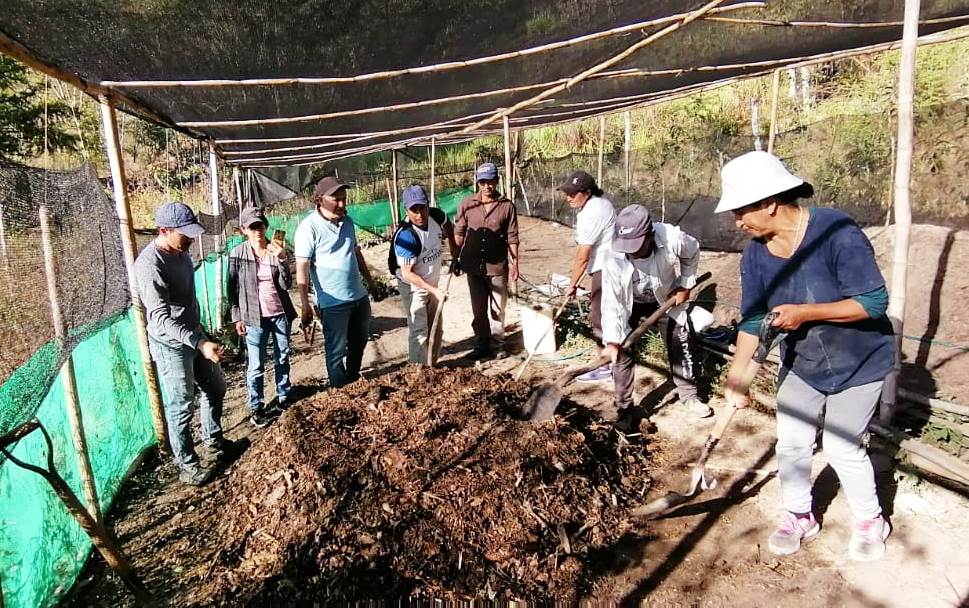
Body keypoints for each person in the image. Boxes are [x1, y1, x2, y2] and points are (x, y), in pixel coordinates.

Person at [716, 151, 894, 562]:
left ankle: (871, 519)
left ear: (769, 203)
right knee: (792, 441)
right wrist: (736, 377)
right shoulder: (755, 256)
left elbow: (873, 302)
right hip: (805, 363)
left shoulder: (836, 231)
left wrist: (806, 312)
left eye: (741, 211)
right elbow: (753, 321)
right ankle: (800, 515)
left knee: (841, 445)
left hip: (860, 360)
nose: (737, 221)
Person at [134, 201, 241, 486]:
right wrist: (198, 342)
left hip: (195, 335)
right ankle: (188, 464)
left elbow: (187, 301)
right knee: (181, 404)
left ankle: (214, 441)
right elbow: (160, 317)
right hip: (170, 344)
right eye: (185, 233)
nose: (191, 238)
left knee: (216, 387)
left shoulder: (181, 252)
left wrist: (202, 335)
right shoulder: (149, 265)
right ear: (164, 230)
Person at [600, 204, 713, 421]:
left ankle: (689, 396)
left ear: (650, 235)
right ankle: (624, 408)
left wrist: (685, 284)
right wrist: (612, 340)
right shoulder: (613, 255)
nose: (630, 251)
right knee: (622, 351)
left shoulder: (672, 237)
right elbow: (612, 302)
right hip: (629, 303)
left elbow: (692, 252)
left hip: (665, 298)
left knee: (679, 341)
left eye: (636, 245)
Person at [295, 176, 378, 388]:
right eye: (336, 199)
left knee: (359, 343)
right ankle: (340, 392)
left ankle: (352, 380)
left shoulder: (348, 222)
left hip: (359, 297)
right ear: (320, 199)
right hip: (333, 304)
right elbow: (302, 267)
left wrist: (370, 281)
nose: (342, 204)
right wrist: (305, 304)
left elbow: (355, 253)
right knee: (335, 352)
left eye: (344, 199)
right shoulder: (308, 228)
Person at [227, 206, 297, 429]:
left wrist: (283, 259)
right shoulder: (237, 254)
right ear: (244, 230)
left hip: (279, 314)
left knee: (282, 357)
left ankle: (284, 397)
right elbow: (232, 289)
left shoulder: (276, 250)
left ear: (266, 226)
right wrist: (237, 317)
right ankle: (256, 406)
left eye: (260, 225)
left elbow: (287, 284)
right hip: (253, 317)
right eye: (252, 226)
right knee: (256, 365)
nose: (258, 230)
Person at [454, 162, 520, 360]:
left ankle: (499, 345)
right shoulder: (467, 204)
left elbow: (513, 237)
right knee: (479, 309)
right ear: (478, 182)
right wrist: (456, 257)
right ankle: (481, 344)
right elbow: (459, 234)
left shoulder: (507, 207)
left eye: (490, 181)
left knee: (498, 308)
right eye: (482, 182)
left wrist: (515, 264)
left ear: (496, 180)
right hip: (473, 267)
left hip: (497, 266)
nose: (486, 186)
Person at [390, 185, 460, 365]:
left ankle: (433, 366)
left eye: (422, 207)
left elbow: (448, 225)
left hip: (432, 282)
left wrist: (454, 251)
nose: (419, 214)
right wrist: (432, 290)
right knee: (419, 331)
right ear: (406, 210)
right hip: (413, 286)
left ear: (428, 205)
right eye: (414, 210)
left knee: (436, 328)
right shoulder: (407, 236)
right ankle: (418, 372)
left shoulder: (436, 216)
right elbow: (408, 273)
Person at [560, 170, 616, 383]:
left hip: (607, 269)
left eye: (573, 194)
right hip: (606, 265)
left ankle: (604, 366)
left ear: (587, 192)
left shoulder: (593, 212)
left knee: (600, 319)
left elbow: (583, 256)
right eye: (567, 193)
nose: (568, 198)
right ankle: (606, 360)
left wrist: (572, 285)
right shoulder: (597, 205)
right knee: (602, 317)